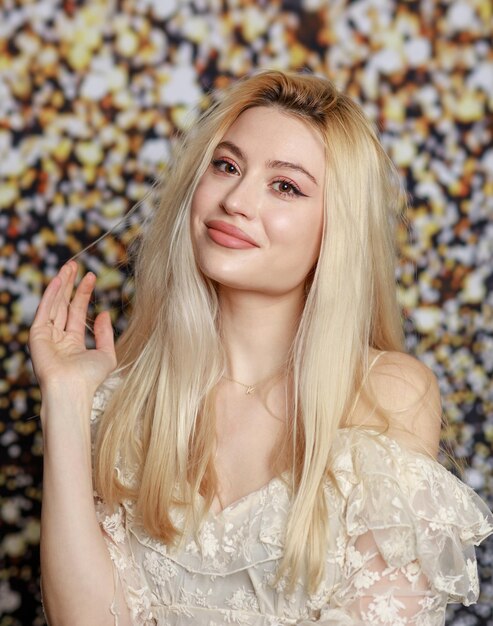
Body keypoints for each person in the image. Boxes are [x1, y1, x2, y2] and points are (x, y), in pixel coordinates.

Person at [29, 70, 493, 626]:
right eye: (226, 166)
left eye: (285, 186)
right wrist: (65, 400)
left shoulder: (385, 393)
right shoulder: (126, 397)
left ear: (334, 230)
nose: (236, 200)